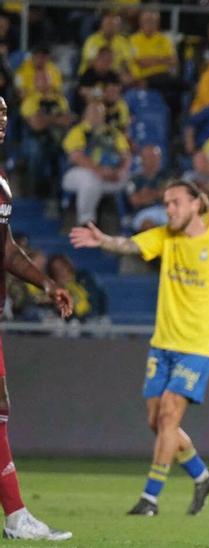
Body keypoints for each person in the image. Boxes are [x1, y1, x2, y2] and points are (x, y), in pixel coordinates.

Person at [69, 180, 209, 517]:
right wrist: (103, 241)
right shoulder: (165, 237)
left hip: (198, 347)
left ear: (196, 205)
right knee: (158, 422)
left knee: (170, 414)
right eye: (166, 203)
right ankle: (202, 476)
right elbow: (129, 245)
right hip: (162, 344)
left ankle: (150, 499)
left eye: (175, 203)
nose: (168, 209)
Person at [0, 97, 75, 540]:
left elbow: (6, 249)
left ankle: (15, 515)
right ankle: (15, 515)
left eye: (6, 114)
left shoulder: (3, 184)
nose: (3, 121)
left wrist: (47, 285)